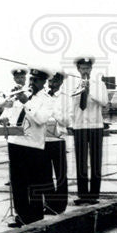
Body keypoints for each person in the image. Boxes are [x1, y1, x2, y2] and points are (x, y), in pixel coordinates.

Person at [5, 66, 55, 227]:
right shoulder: (23, 94)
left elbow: (41, 119)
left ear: (44, 82)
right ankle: (22, 216)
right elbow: (13, 116)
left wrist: (27, 102)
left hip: (33, 145)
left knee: (34, 184)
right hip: (15, 142)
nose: (32, 82)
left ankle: (36, 218)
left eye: (36, 80)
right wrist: (7, 111)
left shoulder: (47, 99)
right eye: (31, 79)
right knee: (18, 183)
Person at [69, 55, 108, 205]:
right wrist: (70, 123)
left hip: (95, 126)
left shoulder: (100, 84)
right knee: (81, 161)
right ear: (78, 69)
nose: (85, 70)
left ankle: (94, 195)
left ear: (91, 68)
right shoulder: (72, 85)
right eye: (82, 68)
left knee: (96, 161)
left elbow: (104, 102)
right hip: (79, 126)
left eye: (87, 68)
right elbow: (71, 107)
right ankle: (83, 195)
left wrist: (89, 91)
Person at [43, 69, 70, 215]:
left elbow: (67, 120)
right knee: (45, 174)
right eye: (50, 81)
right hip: (43, 139)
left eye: (55, 81)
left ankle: (60, 206)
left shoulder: (65, 98)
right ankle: (49, 203)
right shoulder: (43, 95)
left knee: (60, 174)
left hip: (58, 139)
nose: (52, 84)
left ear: (61, 82)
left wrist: (53, 111)